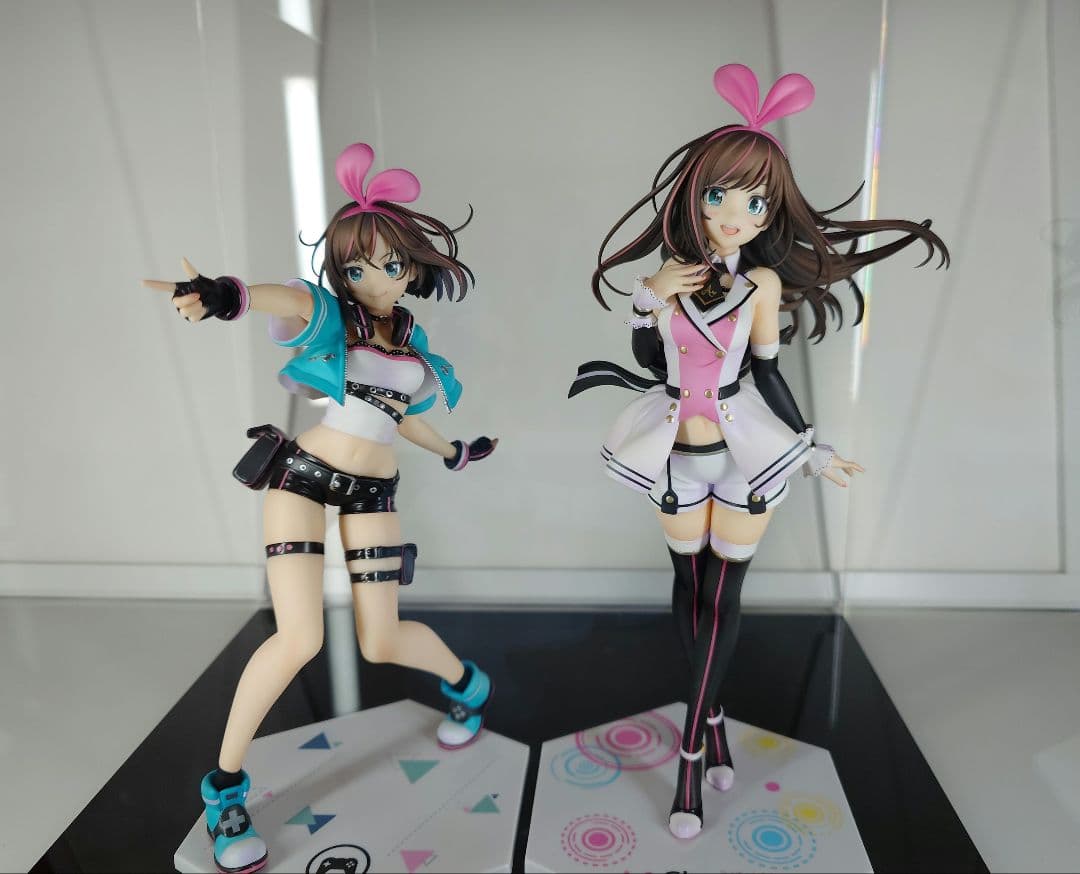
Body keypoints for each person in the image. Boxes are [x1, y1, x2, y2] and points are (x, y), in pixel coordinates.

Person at [570, 64, 948, 839]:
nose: (735, 215)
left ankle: (688, 758)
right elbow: (651, 358)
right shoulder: (669, 280)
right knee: (688, 589)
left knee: (724, 598)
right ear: (695, 198)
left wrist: (810, 447)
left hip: (744, 452)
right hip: (675, 454)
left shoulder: (764, 287)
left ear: (771, 211)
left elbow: (768, 373)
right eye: (719, 196)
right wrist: (647, 296)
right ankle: (713, 724)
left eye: (755, 201)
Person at [145, 143, 497, 873]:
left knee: (381, 639)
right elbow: (284, 299)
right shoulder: (332, 315)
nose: (377, 278)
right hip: (302, 479)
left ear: (412, 266)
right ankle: (225, 791)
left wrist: (455, 451)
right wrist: (224, 295)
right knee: (298, 636)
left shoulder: (413, 343)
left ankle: (467, 685)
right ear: (342, 273)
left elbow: (402, 418)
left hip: (373, 493)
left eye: (391, 265)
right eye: (358, 268)